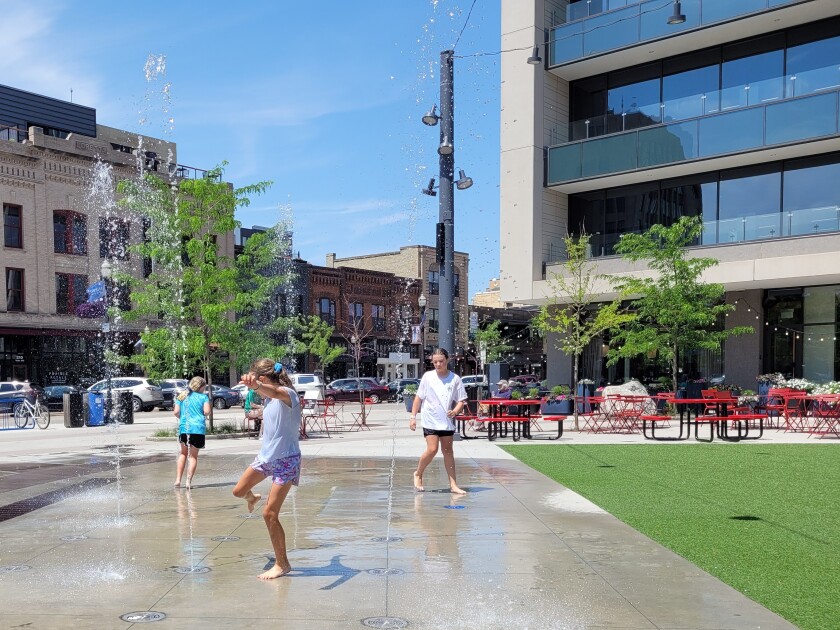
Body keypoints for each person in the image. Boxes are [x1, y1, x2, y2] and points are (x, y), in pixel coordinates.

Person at [232, 359, 301, 580]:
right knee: (239, 491)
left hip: (286, 460)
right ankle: (252, 498)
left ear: (262, 379)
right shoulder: (270, 401)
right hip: (266, 458)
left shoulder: (287, 394)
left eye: (257, 382)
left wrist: (256, 387)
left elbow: (273, 391)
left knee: (269, 514)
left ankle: (282, 564)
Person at [409, 348, 467, 494]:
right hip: (430, 419)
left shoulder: (455, 379)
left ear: (447, 360)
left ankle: (453, 485)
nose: (438, 364)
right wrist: (413, 417)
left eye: (441, 361)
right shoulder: (428, 377)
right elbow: (418, 397)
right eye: (435, 362)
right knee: (432, 449)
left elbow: (461, 400)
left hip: (446, 421)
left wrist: (455, 411)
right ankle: (418, 473)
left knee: (448, 451)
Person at [173, 376, 210, 490]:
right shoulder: (203, 397)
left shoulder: (182, 396)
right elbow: (206, 412)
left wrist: (183, 417)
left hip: (185, 428)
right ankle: (188, 482)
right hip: (198, 429)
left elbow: (176, 412)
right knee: (193, 456)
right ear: (201, 387)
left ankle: (178, 480)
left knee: (183, 454)